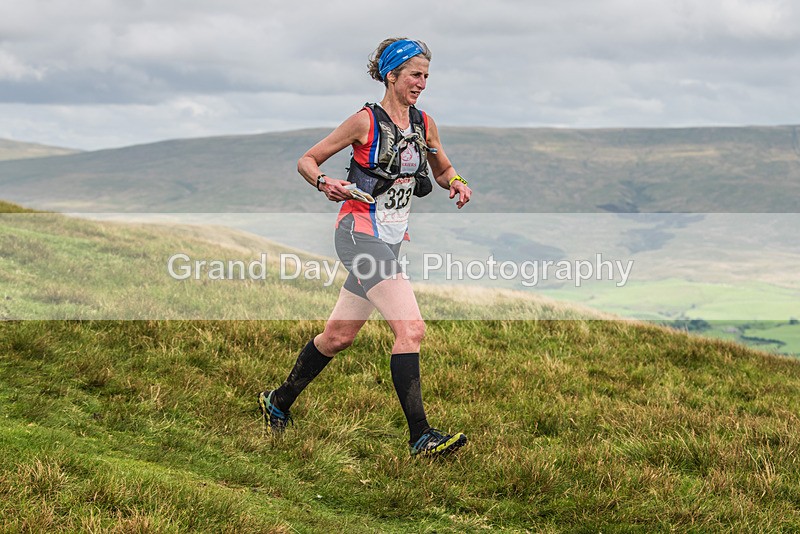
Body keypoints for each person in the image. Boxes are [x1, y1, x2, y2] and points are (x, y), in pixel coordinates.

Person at [258, 37, 472, 458]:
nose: (422, 83)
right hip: (358, 233)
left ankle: (277, 402)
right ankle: (421, 437)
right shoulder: (364, 122)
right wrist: (324, 182)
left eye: (426, 76)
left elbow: (442, 168)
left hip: (388, 242)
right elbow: (308, 159)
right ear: (391, 75)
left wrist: (458, 183)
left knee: (337, 337)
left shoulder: (424, 124)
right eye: (415, 75)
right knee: (410, 329)